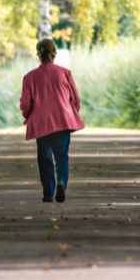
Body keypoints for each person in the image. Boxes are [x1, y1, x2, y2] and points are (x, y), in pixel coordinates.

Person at [20, 38, 85, 202]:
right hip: (63, 120)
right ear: (54, 54)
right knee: (62, 156)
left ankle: (48, 193)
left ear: (38, 55)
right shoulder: (65, 73)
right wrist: (71, 114)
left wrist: (28, 116)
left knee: (45, 158)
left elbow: (26, 104)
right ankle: (62, 182)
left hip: (41, 123)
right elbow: (76, 100)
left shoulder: (29, 77)